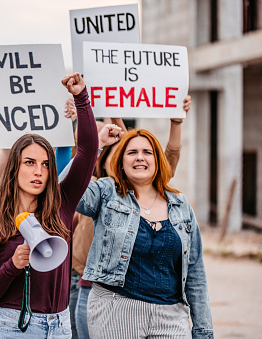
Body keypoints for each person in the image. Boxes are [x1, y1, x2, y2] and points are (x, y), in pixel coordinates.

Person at [0, 73, 100, 338]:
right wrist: (13, 266)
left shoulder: (62, 206)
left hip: (60, 326)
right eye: (30, 162)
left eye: (45, 164)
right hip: (13, 326)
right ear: (14, 167)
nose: (38, 171)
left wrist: (81, 97)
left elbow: (87, 148)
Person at [62, 96, 192, 339]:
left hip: (131, 292)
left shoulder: (156, 194)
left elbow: (166, 155)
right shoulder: (96, 191)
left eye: (142, 153)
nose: (138, 158)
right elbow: (68, 183)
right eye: (132, 152)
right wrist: (81, 120)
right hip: (85, 282)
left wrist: (176, 121)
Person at [76, 128, 214, 338]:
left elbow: (195, 272)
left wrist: (203, 330)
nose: (140, 157)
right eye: (132, 152)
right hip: (116, 311)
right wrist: (97, 146)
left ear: (157, 160)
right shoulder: (106, 191)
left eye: (147, 152)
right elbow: (64, 191)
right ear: (121, 161)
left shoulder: (180, 204)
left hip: (171, 316)